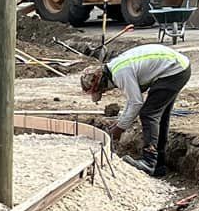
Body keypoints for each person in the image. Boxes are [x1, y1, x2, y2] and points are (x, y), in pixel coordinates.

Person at [81, 44, 191, 178]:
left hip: (174, 70)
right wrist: (120, 122)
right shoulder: (115, 67)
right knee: (160, 116)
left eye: (102, 90)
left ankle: (149, 162)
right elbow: (132, 100)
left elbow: (136, 103)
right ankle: (159, 165)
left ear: (102, 81)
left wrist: (120, 129)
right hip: (177, 67)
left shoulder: (120, 74)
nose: (106, 91)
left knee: (148, 114)